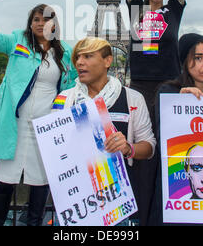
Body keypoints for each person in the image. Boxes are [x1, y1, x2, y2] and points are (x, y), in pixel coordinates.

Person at [114, 0, 197, 225]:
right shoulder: (135, 8)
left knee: (171, 151)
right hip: (140, 89)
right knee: (141, 153)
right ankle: (141, 214)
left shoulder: (175, 9)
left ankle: (170, 210)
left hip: (171, 87)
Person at [0, 0, 77, 226]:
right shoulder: (17, 40)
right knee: (5, 179)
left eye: (46, 19)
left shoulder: (65, 52)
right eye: (35, 19)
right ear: (30, 24)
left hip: (46, 126)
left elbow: (75, 84)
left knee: (40, 180)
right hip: (15, 124)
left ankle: (34, 222)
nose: (40, 24)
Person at [55, 37, 156, 225]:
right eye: (78, 57)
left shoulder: (133, 99)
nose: (79, 62)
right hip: (78, 204)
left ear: (107, 61)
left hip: (118, 205)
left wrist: (128, 148)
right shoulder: (63, 99)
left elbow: (149, 147)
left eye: (88, 56)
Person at [153, 33, 203, 225]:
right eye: (198, 58)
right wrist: (178, 102)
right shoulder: (169, 92)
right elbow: (162, 139)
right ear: (184, 62)